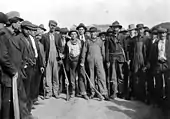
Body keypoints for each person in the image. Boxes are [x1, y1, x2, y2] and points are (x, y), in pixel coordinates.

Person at [80, 27, 108, 101]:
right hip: (90, 60)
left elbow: (103, 51)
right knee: (91, 76)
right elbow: (84, 52)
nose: (93, 34)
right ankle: (93, 92)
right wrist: (82, 61)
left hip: (99, 60)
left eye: (94, 32)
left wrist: (105, 61)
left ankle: (103, 92)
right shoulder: (87, 41)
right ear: (90, 33)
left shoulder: (100, 41)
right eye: (91, 32)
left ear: (97, 33)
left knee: (101, 76)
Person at [105, 21, 126, 99]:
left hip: (121, 58)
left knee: (121, 75)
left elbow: (125, 48)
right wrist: (107, 60)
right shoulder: (109, 38)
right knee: (113, 76)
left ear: (119, 28)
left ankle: (121, 92)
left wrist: (127, 59)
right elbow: (107, 50)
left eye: (117, 27)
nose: (115, 29)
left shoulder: (122, 37)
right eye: (114, 27)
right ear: (112, 28)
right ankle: (114, 92)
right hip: (112, 58)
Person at [41, 20, 61, 99]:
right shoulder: (45, 36)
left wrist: (61, 55)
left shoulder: (57, 36)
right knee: (48, 75)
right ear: (49, 26)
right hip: (48, 57)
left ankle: (55, 92)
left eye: (54, 26)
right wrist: (43, 59)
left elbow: (60, 47)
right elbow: (43, 48)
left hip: (56, 57)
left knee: (55, 75)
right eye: (51, 25)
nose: (52, 27)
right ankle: (48, 92)